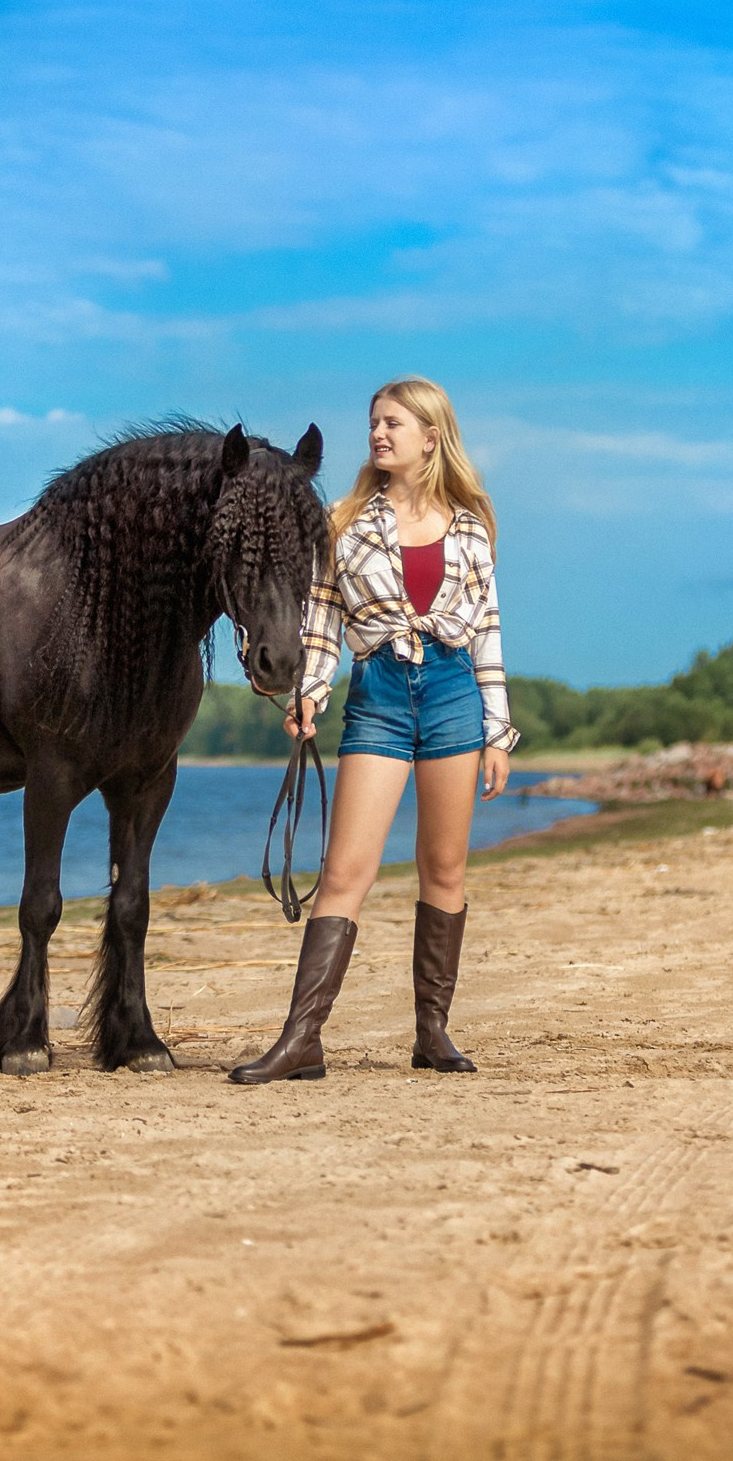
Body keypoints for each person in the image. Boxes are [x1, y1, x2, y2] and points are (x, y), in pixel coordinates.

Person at [229, 376, 518, 1085]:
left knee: (444, 870)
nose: (378, 434)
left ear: (431, 437)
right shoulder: (345, 520)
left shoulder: (472, 527)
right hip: (379, 695)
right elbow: (321, 618)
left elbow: (486, 629)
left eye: (393, 423)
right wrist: (309, 694)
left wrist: (498, 731)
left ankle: (432, 1033)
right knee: (344, 873)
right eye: (374, 423)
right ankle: (301, 1040)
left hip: (453, 694)